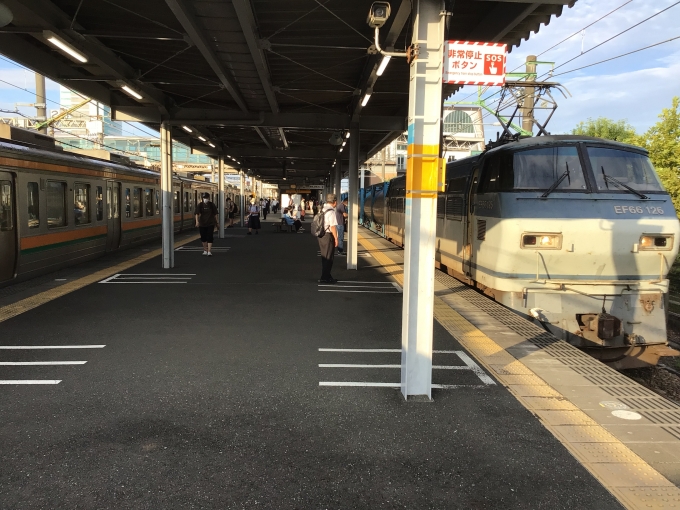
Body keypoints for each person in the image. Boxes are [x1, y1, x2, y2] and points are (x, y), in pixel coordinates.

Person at [317, 193, 338, 283]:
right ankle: (325, 277)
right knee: (329, 257)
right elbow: (333, 227)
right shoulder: (331, 211)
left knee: (325, 256)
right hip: (327, 235)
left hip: (320, 235)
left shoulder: (322, 208)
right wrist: (336, 238)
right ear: (334, 202)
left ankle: (327, 276)